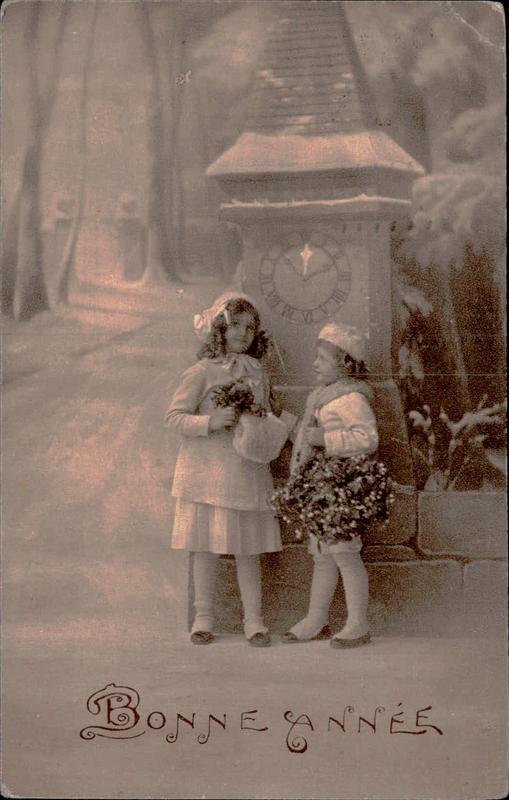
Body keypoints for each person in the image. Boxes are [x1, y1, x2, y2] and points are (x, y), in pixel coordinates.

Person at [165, 291, 294, 647]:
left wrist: (281, 425)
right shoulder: (201, 372)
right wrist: (210, 421)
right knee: (204, 547)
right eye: (235, 324)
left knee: (247, 549)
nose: (242, 333)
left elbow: (268, 413)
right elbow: (174, 417)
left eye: (250, 328)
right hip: (206, 473)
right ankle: (203, 618)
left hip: (243, 471)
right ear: (218, 328)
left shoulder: (257, 372)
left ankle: (254, 621)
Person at [282, 322, 379, 648]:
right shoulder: (322, 398)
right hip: (320, 488)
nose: (315, 364)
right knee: (322, 554)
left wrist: (326, 438)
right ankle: (316, 618)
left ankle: (358, 624)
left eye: (322, 359)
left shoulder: (351, 398)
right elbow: (307, 437)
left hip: (341, 487)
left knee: (345, 554)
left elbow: (367, 438)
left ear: (345, 363)